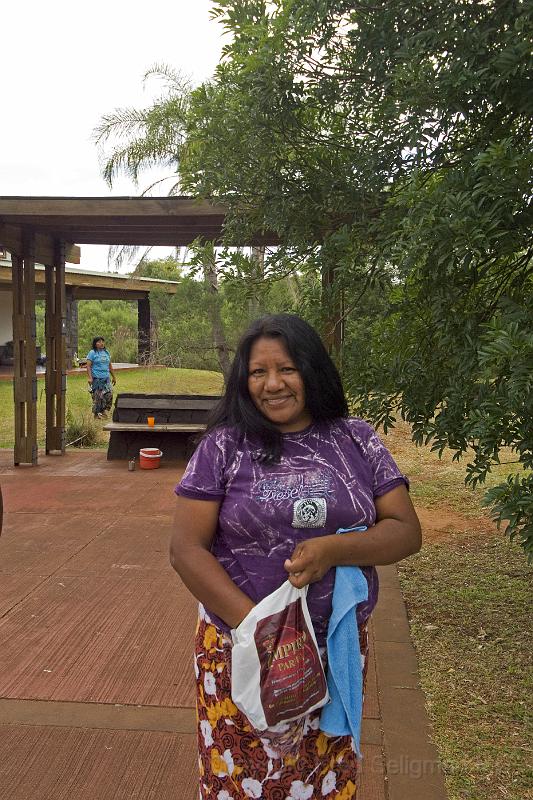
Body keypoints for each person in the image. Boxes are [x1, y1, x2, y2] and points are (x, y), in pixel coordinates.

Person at [170, 314, 421, 800]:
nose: (272, 384)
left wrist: (334, 549)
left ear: (311, 370)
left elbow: (405, 531)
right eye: (257, 373)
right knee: (243, 779)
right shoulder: (224, 446)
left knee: (322, 774)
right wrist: (263, 633)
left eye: (285, 368)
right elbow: (185, 550)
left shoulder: (355, 439)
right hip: (239, 647)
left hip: (334, 647)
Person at [86, 337, 116, 419]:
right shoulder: (92, 353)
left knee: (109, 395)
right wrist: (90, 378)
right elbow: (88, 366)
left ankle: (103, 411)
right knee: (98, 396)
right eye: (99, 342)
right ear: (95, 343)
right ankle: (97, 414)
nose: (102, 343)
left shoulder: (106, 352)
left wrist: (114, 377)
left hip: (106, 378)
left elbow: (109, 365)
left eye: (103, 341)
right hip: (97, 379)